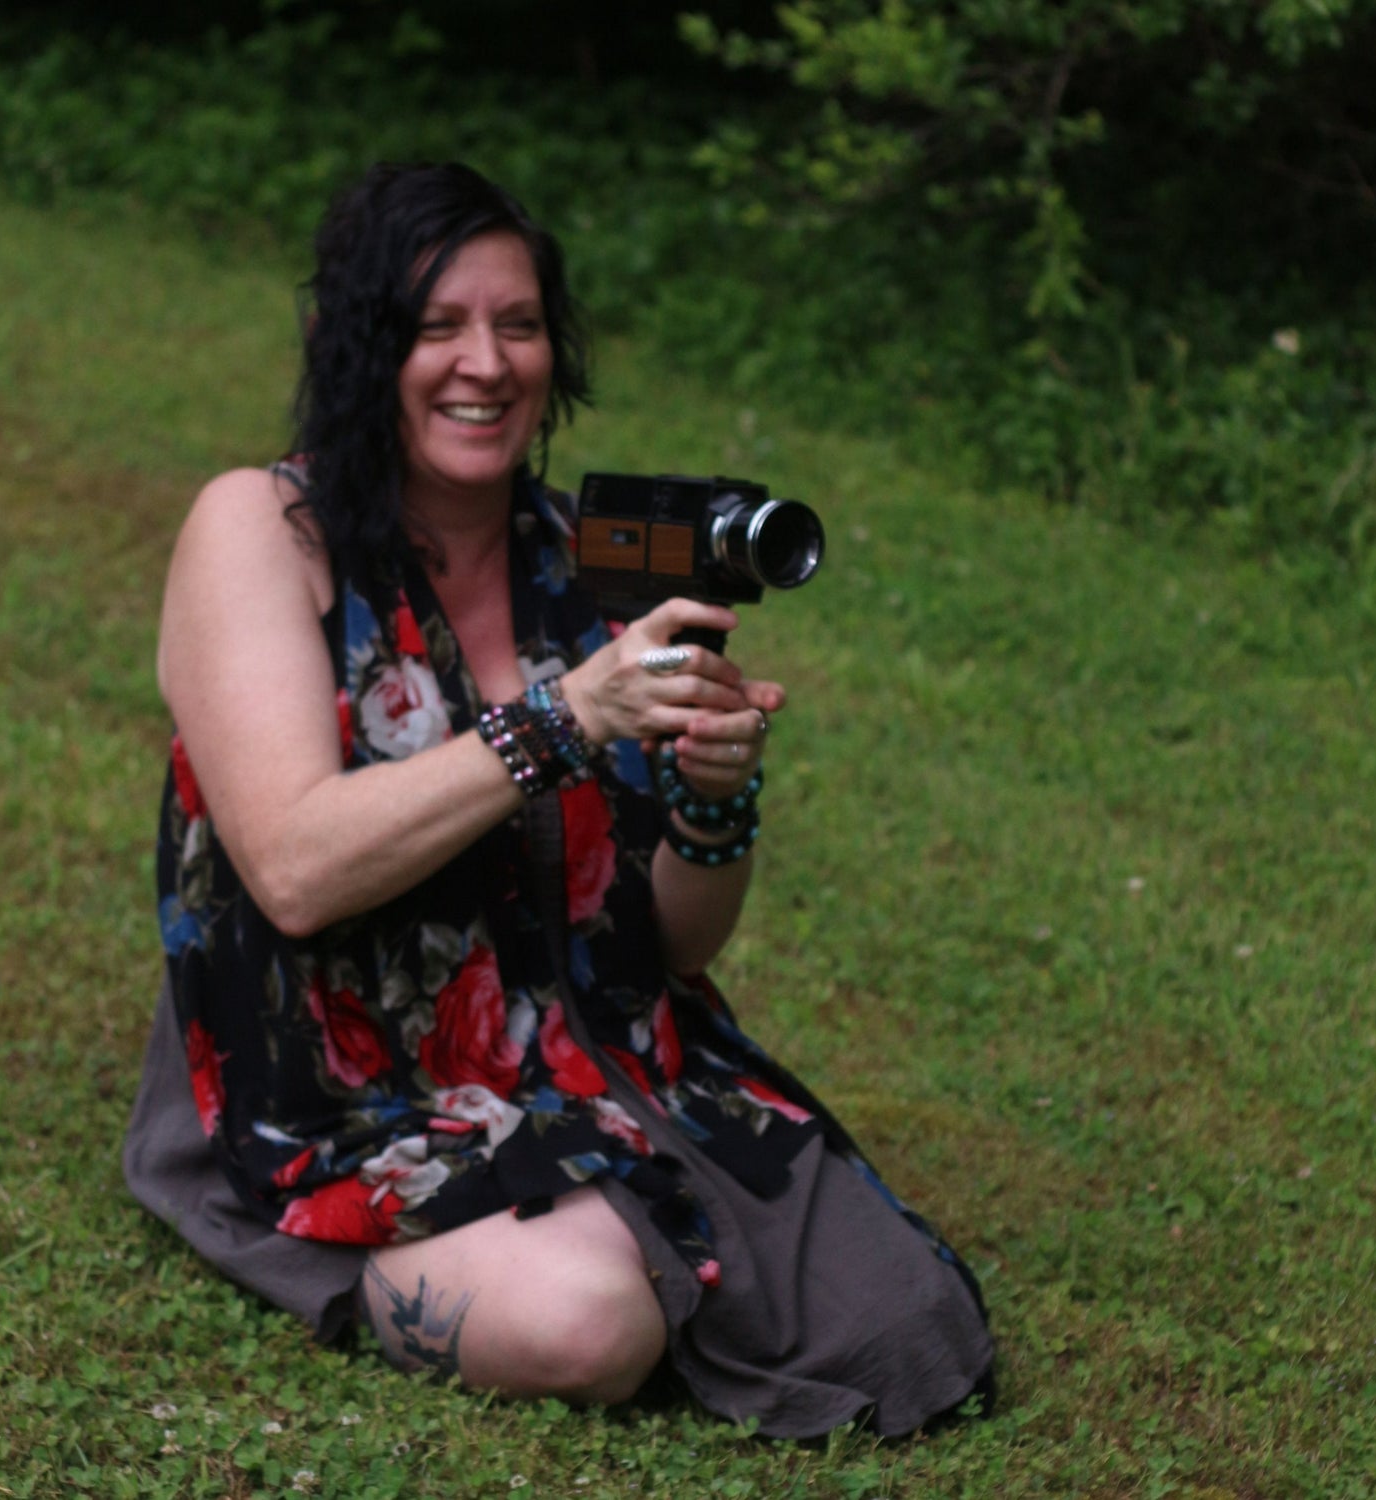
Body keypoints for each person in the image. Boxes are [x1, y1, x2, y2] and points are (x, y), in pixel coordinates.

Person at [124, 160, 993, 1437]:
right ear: (356, 343)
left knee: (913, 1325)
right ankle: (328, 1253)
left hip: (589, 1063)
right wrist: (565, 717)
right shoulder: (262, 531)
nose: (486, 362)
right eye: (437, 326)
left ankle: (603, 1219)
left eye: (518, 325)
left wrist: (713, 800)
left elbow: (675, 942)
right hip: (338, 1087)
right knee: (590, 1320)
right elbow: (296, 868)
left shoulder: (586, 565)